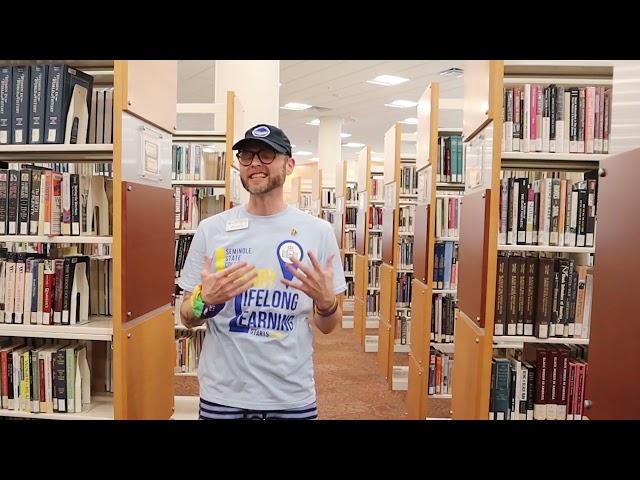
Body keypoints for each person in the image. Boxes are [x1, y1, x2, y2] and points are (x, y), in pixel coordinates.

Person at [178, 123, 347, 420]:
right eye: (246, 155)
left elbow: (329, 326)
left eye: (267, 154)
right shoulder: (211, 230)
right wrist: (205, 301)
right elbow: (187, 318)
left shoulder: (318, 232)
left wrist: (326, 303)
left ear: (289, 165)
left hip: (291, 396)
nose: (255, 163)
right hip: (223, 395)